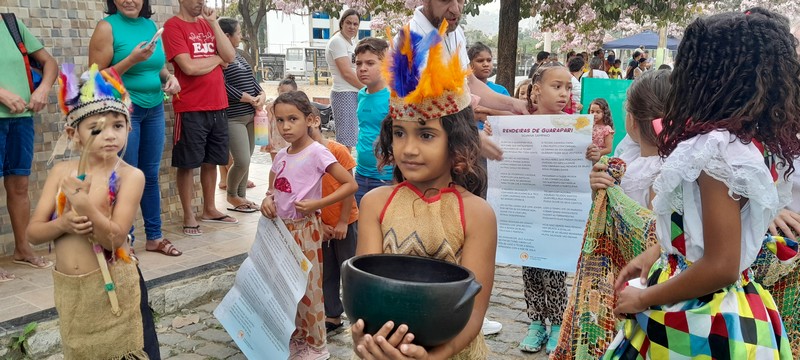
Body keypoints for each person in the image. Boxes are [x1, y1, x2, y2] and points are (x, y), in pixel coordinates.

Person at [604, 8, 799, 358]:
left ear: (709, 75)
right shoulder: (747, 143)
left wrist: (643, 298)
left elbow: (721, 264)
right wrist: (657, 253)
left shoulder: (717, 153)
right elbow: (710, 235)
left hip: (702, 320)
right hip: (720, 308)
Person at [351, 22, 497, 359]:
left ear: (457, 141)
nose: (408, 149)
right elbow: (365, 289)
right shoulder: (376, 203)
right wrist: (365, 339)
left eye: (426, 135)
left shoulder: (477, 213)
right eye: (399, 133)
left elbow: (474, 311)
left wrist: (436, 355)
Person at [26, 64, 158, 359]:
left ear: (129, 128)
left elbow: (114, 239)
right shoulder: (62, 172)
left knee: (125, 350)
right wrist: (65, 224)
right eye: (97, 129)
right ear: (75, 134)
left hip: (114, 289)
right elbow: (33, 234)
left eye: (118, 126)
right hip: (73, 296)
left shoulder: (130, 176)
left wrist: (85, 206)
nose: (110, 135)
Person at [551, 70, 671, 360]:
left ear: (632, 117)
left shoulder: (664, 172)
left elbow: (653, 230)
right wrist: (599, 189)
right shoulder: (628, 157)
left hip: (644, 286)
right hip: (619, 283)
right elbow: (606, 209)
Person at [260, 91, 358, 360]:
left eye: (292, 119)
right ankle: (295, 338)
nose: (285, 127)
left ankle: (316, 345)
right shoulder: (281, 156)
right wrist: (266, 202)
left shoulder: (318, 153)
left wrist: (318, 204)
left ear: (311, 120)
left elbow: (350, 184)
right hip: (281, 231)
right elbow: (273, 191)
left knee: (309, 288)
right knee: (286, 287)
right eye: (280, 120)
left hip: (306, 230)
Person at [89, 0, 183, 257]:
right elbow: (95, 78)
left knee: (149, 176)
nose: (129, 0)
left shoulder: (149, 25)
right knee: (125, 177)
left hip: (153, 108)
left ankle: (154, 237)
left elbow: (157, 66)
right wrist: (130, 60)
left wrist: (169, 78)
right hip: (122, 113)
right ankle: (123, 240)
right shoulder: (107, 28)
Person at [163, 0, 237, 236]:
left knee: (212, 160)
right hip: (190, 106)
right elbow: (189, 67)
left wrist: (214, 23)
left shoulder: (208, 25)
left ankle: (209, 209)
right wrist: (216, 60)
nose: (200, 2)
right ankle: (188, 214)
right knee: (187, 163)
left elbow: (230, 56)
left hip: (218, 104)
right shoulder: (173, 26)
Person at [519, 64, 573, 354]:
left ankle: (558, 324)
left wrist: (588, 153)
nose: (564, 93)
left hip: (557, 217)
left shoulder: (575, 126)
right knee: (530, 269)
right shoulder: (519, 124)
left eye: (568, 87)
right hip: (528, 216)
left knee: (554, 273)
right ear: (537, 89)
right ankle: (536, 322)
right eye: (557, 86)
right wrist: (497, 133)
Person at [0, 12, 58, 281]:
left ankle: (23, 248)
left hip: (21, 120)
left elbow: (49, 63)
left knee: (20, 186)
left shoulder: (11, 23)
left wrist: (43, 89)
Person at [308, 107, 358, 334]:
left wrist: (342, 222)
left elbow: (349, 188)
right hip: (321, 225)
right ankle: (333, 315)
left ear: (315, 121)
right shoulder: (302, 155)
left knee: (350, 270)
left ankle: (358, 314)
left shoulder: (337, 150)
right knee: (326, 271)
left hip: (345, 222)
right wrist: (320, 224)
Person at [218, 17, 264, 213]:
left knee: (249, 158)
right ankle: (232, 196)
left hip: (250, 115)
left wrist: (261, 95)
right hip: (233, 117)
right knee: (242, 160)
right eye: (238, 33)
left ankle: (242, 197)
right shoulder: (219, 58)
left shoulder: (239, 57)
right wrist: (245, 98)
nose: (241, 36)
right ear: (227, 36)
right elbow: (221, 86)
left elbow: (251, 80)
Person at [353, 37, 393, 206]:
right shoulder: (361, 94)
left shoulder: (394, 97)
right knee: (363, 228)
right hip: (361, 174)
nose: (363, 68)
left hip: (386, 178)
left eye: (370, 63)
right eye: (358, 63)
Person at [326, 9, 363, 151]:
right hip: (344, 94)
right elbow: (347, 73)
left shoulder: (350, 43)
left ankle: (346, 172)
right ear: (342, 23)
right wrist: (366, 89)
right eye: (348, 23)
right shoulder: (337, 42)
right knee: (344, 143)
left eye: (355, 24)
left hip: (352, 93)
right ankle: (344, 173)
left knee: (350, 140)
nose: (352, 27)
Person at [262, 75, 296, 158]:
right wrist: (268, 139)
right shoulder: (271, 107)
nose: (286, 95)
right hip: (275, 142)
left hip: (291, 141)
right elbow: (267, 124)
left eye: (289, 92)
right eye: (282, 91)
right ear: (278, 91)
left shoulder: (296, 107)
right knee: (276, 165)